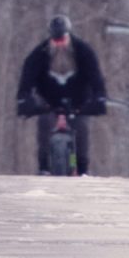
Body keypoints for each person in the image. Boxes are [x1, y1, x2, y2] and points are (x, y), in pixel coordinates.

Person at [16, 14, 109, 175]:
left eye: (62, 40)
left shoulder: (84, 52)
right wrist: (25, 100)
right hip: (49, 102)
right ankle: (44, 166)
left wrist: (99, 99)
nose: (59, 44)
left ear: (68, 36)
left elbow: (96, 79)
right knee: (45, 124)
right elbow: (26, 80)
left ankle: (81, 167)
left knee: (81, 127)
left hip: (78, 102)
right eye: (56, 41)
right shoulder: (38, 55)